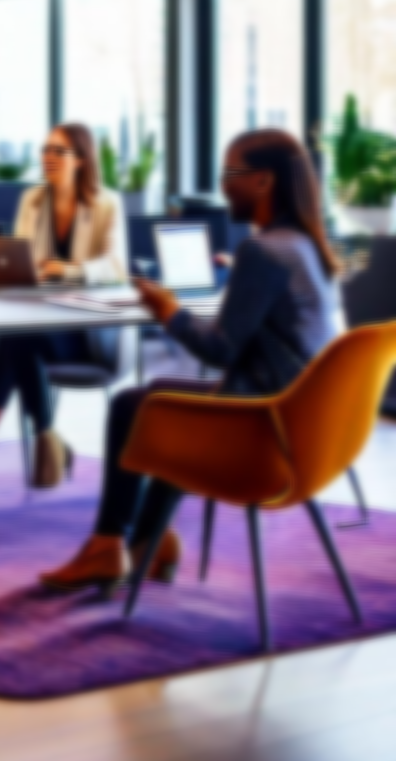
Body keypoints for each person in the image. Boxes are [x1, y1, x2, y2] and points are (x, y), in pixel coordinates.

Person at [40, 127, 340, 592]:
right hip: (308, 428)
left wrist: (168, 311)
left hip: (263, 433)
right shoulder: (308, 247)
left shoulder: (262, 250)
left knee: (131, 407)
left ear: (262, 181)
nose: (222, 185)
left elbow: (220, 351)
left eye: (229, 173)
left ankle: (108, 547)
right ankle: (146, 544)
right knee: (157, 405)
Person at [0, 123, 128, 489]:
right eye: (45, 150)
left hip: (89, 328)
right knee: (20, 336)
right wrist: (19, 271)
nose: (48, 158)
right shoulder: (31, 201)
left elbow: (116, 267)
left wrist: (66, 269)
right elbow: (19, 258)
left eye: (58, 151)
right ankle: (47, 439)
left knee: (18, 337)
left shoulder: (107, 203)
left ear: (81, 159)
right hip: (40, 317)